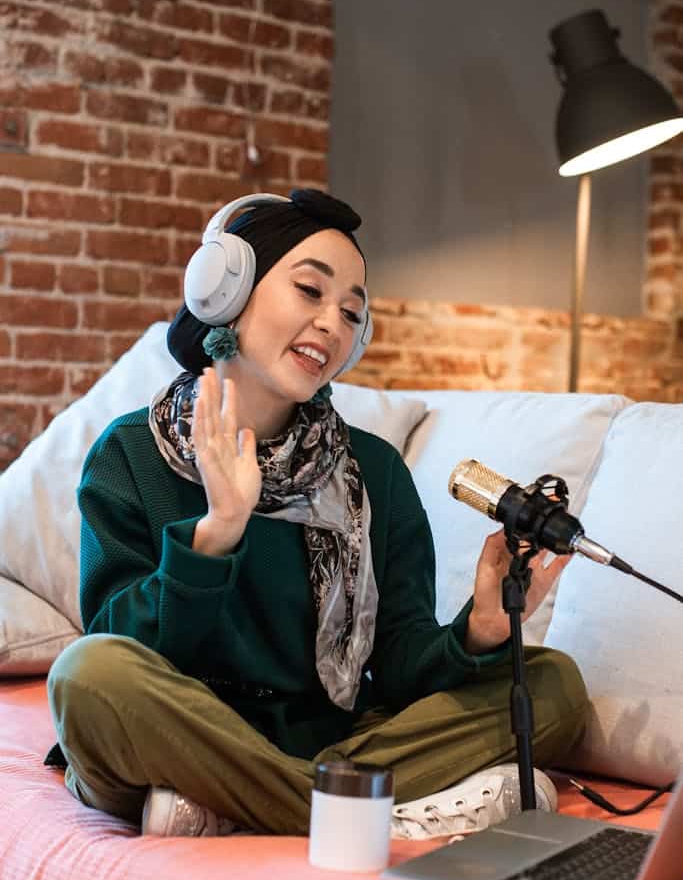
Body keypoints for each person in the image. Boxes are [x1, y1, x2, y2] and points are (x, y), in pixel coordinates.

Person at [46, 189, 588, 841]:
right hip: (181, 729)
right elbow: (123, 644)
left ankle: (243, 808)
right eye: (309, 291)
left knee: (552, 686)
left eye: (351, 312)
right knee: (88, 675)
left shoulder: (374, 472)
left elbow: (397, 663)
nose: (334, 323)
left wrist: (478, 630)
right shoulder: (130, 453)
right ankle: (366, 810)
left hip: (324, 737)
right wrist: (216, 532)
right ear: (226, 292)